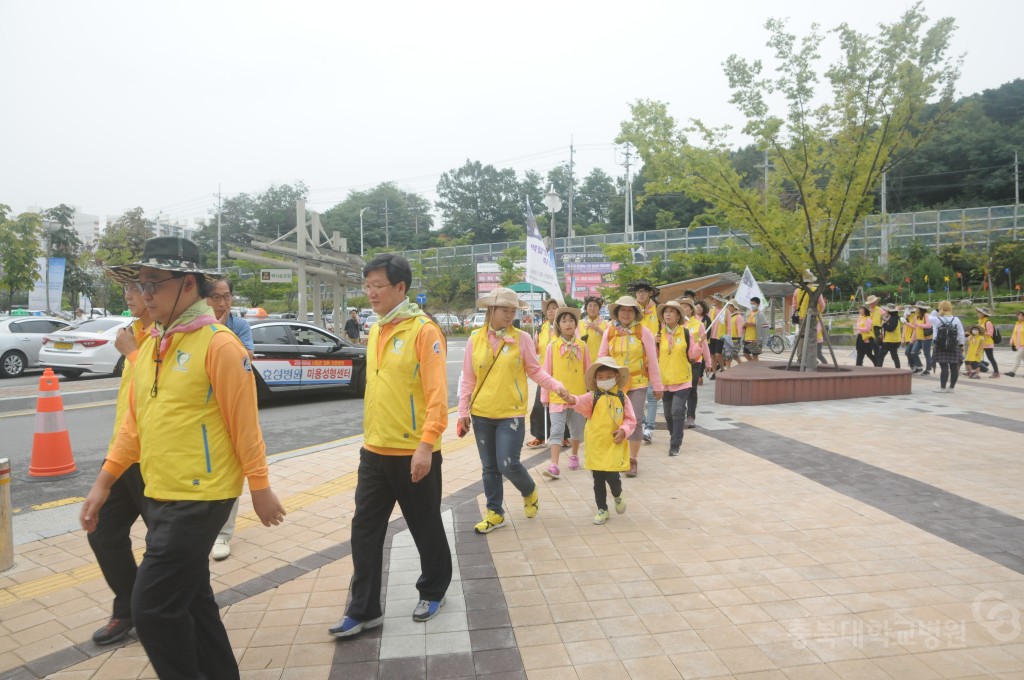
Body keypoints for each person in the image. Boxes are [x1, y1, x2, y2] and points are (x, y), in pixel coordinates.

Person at [80, 236, 285, 680]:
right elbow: (134, 425)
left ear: (187, 283)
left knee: (151, 608)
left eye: (154, 283)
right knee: (193, 599)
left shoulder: (220, 345)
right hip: (160, 488)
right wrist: (104, 482)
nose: (144, 294)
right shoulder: (153, 344)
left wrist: (260, 487)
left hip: (202, 496)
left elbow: (245, 425)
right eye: (142, 284)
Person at [329, 254, 452, 638]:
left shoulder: (424, 331)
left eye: (377, 286)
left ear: (400, 287)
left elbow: (436, 395)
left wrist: (426, 445)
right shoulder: (378, 330)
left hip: (413, 453)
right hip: (374, 452)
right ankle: (364, 608)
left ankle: (434, 590)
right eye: (367, 286)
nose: (370, 293)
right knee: (364, 531)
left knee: (425, 525)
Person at [458, 288, 567, 534]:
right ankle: (495, 513)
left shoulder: (521, 338)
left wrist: (557, 387)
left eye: (513, 311)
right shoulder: (475, 338)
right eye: (504, 310)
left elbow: (535, 370)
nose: (509, 315)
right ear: (491, 310)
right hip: (481, 413)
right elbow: (468, 378)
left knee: (508, 463)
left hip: (511, 414)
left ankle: (528, 490)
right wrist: (463, 411)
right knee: (489, 467)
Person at [85, 267, 153, 646]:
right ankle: (128, 608)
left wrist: (132, 354)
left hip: (156, 460)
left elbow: (158, 391)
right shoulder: (133, 333)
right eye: (127, 288)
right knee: (104, 533)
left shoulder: (159, 338)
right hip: (124, 454)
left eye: (138, 288)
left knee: (165, 547)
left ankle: (156, 608)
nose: (129, 294)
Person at [206, 276, 257, 561]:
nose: (222, 302)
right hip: (202, 411)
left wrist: (221, 330)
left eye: (226, 296)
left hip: (231, 408)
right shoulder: (194, 327)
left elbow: (247, 357)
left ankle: (223, 535)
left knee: (229, 470)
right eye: (215, 296)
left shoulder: (239, 326)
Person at [564, 357, 636, 525]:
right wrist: (569, 398)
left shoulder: (623, 397)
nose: (604, 380)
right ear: (595, 379)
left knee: (612, 477)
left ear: (617, 376)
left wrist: (624, 430)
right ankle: (602, 509)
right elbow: (579, 402)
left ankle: (617, 495)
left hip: (614, 444)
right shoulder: (592, 397)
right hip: (596, 445)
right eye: (601, 378)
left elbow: (631, 420)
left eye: (608, 376)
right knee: (598, 479)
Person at [598, 295, 663, 477]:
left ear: (635, 313)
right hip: (614, 385)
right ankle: (615, 456)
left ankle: (632, 459)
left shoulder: (644, 332)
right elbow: (601, 357)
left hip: (637, 383)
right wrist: (597, 383)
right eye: (622, 310)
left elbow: (652, 359)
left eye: (629, 310)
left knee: (634, 419)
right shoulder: (609, 331)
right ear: (617, 313)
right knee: (613, 420)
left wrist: (658, 386)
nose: (625, 313)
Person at [541, 307, 589, 478]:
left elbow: (588, 371)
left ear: (576, 324)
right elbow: (546, 373)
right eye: (564, 321)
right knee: (557, 430)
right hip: (557, 396)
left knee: (577, 430)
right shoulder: (552, 347)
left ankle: (574, 455)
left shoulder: (583, 346)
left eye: (571, 320)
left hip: (578, 397)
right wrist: (544, 395)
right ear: (558, 326)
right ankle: (554, 464)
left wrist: (590, 396)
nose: (568, 324)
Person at [657, 300, 704, 456]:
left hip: (683, 379)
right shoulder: (659, 336)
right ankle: (674, 435)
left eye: (672, 311)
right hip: (665, 380)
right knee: (668, 414)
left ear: (678, 316)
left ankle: (675, 443)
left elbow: (692, 355)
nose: (668, 314)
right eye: (666, 311)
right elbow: (654, 357)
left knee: (677, 411)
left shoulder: (685, 333)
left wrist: (700, 345)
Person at [628, 279, 660, 443]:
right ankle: (643, 422)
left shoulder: (659, 310)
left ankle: (649, 428)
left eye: (644, 291)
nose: (640, 294)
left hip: (655, 357)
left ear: (650, 293)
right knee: (635, 395)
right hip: (636, 359)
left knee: (652, 395)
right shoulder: (631, 310)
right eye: (638, 291)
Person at [527, 298, 561, 448]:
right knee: (540, 404)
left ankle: (564, 436)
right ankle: (539, 436)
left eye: (554, 308)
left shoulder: (565, 326)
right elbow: (536, 350)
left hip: (561, 372)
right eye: (549, 309)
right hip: (544, 373)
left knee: (562, 405)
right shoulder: (541, 329)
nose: (551, 311)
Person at [679, 298, 711, 429]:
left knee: (692, 389)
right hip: (680, 362)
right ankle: (681, 412)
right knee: (681, 389)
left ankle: (691, 416)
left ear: (691, 309)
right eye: (681, 307)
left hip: (695, 361)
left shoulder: (698, 324)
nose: (683, 309)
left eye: (685, 307)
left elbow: (704, 344)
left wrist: (708, 361)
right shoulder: (677, 325)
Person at [791, 270, 827, 364]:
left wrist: (795, 315)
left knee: (801, 337)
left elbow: (794, 305)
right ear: (811, 280)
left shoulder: (797, 290)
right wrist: (819, 313)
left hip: (801, 318)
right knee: (811, 337)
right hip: (812, 318)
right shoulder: (815, 290)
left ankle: (800, 357)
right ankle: (811, 359)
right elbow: (822, 305)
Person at [931, 300, 965, 393]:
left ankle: (942, 388)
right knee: (954, 367)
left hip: (940, 345)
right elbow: (961, 334)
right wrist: (961, 345)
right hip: (954, 346)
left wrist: (937, 310)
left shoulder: (936, 319)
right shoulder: (956, 319)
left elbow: (929, 317)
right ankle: (952, 388)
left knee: (944, 367)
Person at [579, 295, 608, 366]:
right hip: (583, 361)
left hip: (600, 362)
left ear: (599, 308)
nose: (592, 308)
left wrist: (599, 330)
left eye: (595, 306)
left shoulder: (606, 324)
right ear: (586, 308)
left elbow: (610, 340)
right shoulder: (579, 324)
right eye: (590, 306)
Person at [910, 302, 934, 376]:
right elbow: (915, 327)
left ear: (921, 308)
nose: (916, 309)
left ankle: (928, 369)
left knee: (926, 354)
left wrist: (918, 325)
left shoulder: (927, 315)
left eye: (917, 308)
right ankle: (919, 367)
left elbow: (929, 325)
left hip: (926, 338)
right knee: (913, 352)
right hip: (919, 338)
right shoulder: (917, 316)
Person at [742, 296, 768, 362]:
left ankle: (756, 368)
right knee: (745, 354)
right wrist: (744, 325)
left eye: (754, 303)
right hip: (747, 337)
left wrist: (759, 338)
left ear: (758, 304)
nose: (752, 305)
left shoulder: (760, 314)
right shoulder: (748, 313)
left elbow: (764, 326)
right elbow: (744, 323)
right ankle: (753, 364)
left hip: (755, 338)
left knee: (755, 355)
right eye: (751, 303)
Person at [976, 307, 1001, 378]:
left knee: (991, 358)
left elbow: (990, 333)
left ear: (983, 314)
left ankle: (996, 372)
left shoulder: (988, 322)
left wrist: (981, 332)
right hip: (981, 343)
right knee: (976, 356)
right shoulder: (980, 321)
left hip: (988, 343)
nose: (978, 314)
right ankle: (974, 371)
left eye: (979, 313)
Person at [875, 304, 902, 368]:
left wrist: (884, 324)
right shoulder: (890, 317)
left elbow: (891, 328)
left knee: (881, 355)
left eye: (886, 310)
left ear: (889, 311)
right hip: (890, 340)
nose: (885, 311)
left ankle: (879, 369)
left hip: (891, 341)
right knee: (894, 356)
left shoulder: (894, 318)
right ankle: (898, 369)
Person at [707, 294, 727, 379]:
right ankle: (714, 372)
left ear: (720, 301)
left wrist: (729, 335)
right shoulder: (711, 310)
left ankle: (722, 368)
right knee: (712, 355)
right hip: (711, 335)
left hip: (721, 336)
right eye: (713, 299)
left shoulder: (726, 310)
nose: (714, 301)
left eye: (716, 299)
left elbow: (729, 324)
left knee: (718, 354)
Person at [723, 300, 745, 368]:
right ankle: (728, 370)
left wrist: (740, 340)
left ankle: (740, 365)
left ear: (735, 307)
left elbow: (740, 329)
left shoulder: (738, 317)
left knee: (732, 355)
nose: (729, 307)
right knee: (728, 356)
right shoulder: (729, 316)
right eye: (729, 306)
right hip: (728, 339)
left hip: (735, 339)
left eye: (731, 306)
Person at [865, 294, 882, 363]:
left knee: (876, 348)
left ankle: (877, 364)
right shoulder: (867, 311)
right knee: (868, 350)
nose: (876, 302)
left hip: (877, 329)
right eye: (875, 301)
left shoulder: (879, 309)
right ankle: (876, 362)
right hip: (869, 330)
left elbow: (885, 316)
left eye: (876, 301)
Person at [1006, 310, 1024, 377]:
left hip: (1023, 345)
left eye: (1021, 315)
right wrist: (1012, 341)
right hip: (1018, 344)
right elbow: (1014, 333)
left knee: (1017, 358)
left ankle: (1012, 372)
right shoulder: (1017, 323)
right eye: (1018, 315)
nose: (1019, 316)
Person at [902, 305, 920, 371]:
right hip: (907, 338)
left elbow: (915, 327)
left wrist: (906, 322)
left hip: (913, 338)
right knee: (909, 352)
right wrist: (903, 338)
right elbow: (904, 328)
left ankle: (915, 366)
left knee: (908, 352)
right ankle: (914, 366)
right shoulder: (906, 318)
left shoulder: (914, 317)